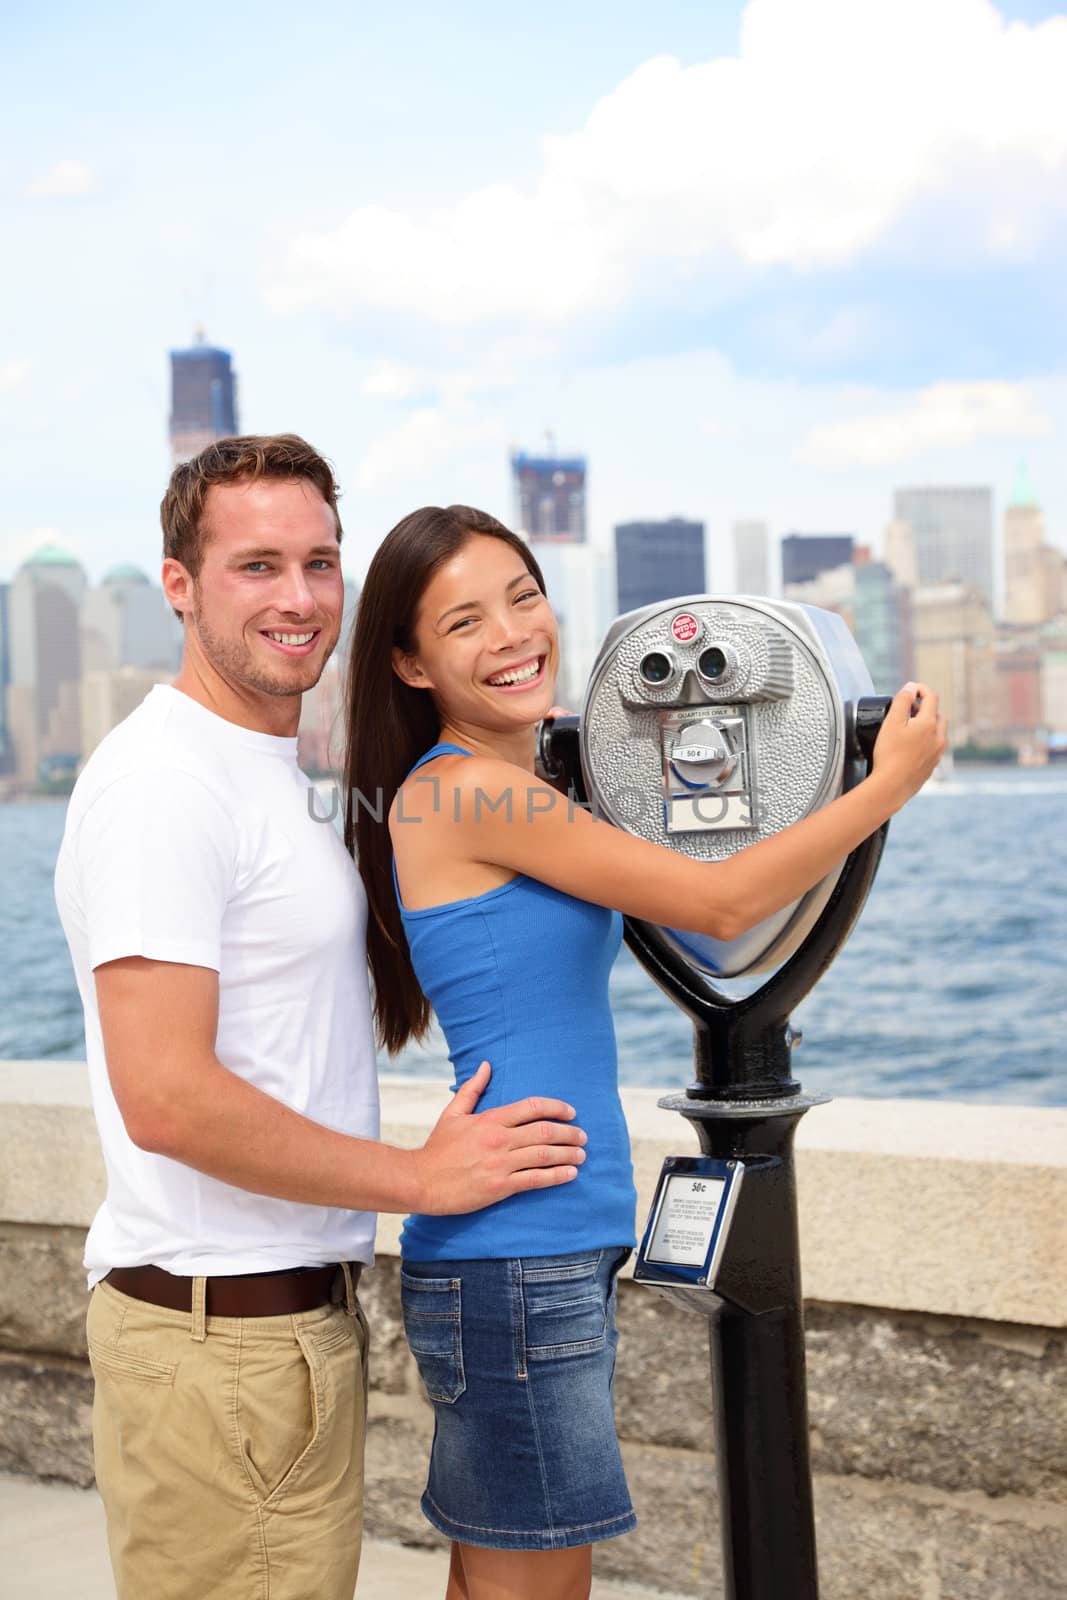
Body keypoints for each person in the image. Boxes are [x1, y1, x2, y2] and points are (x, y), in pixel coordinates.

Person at [344, 503, 947, 1600]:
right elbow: (718, 905)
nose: (512, 633)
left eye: (522, 598)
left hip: (521, 1250)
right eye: (464, 621)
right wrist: (884, 782)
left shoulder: (499, 788)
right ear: (408, 660)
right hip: (516, 1256)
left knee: (493, 1582)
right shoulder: (469, 790)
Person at [53, 438, 589, 1600]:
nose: (297, 598)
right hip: (218, 1348)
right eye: (255, 566)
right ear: (180, 585)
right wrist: (422, 1180)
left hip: (282, 1336)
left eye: (318, 562)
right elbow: (166, 1094)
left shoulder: (265, 777)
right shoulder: (163, 786)